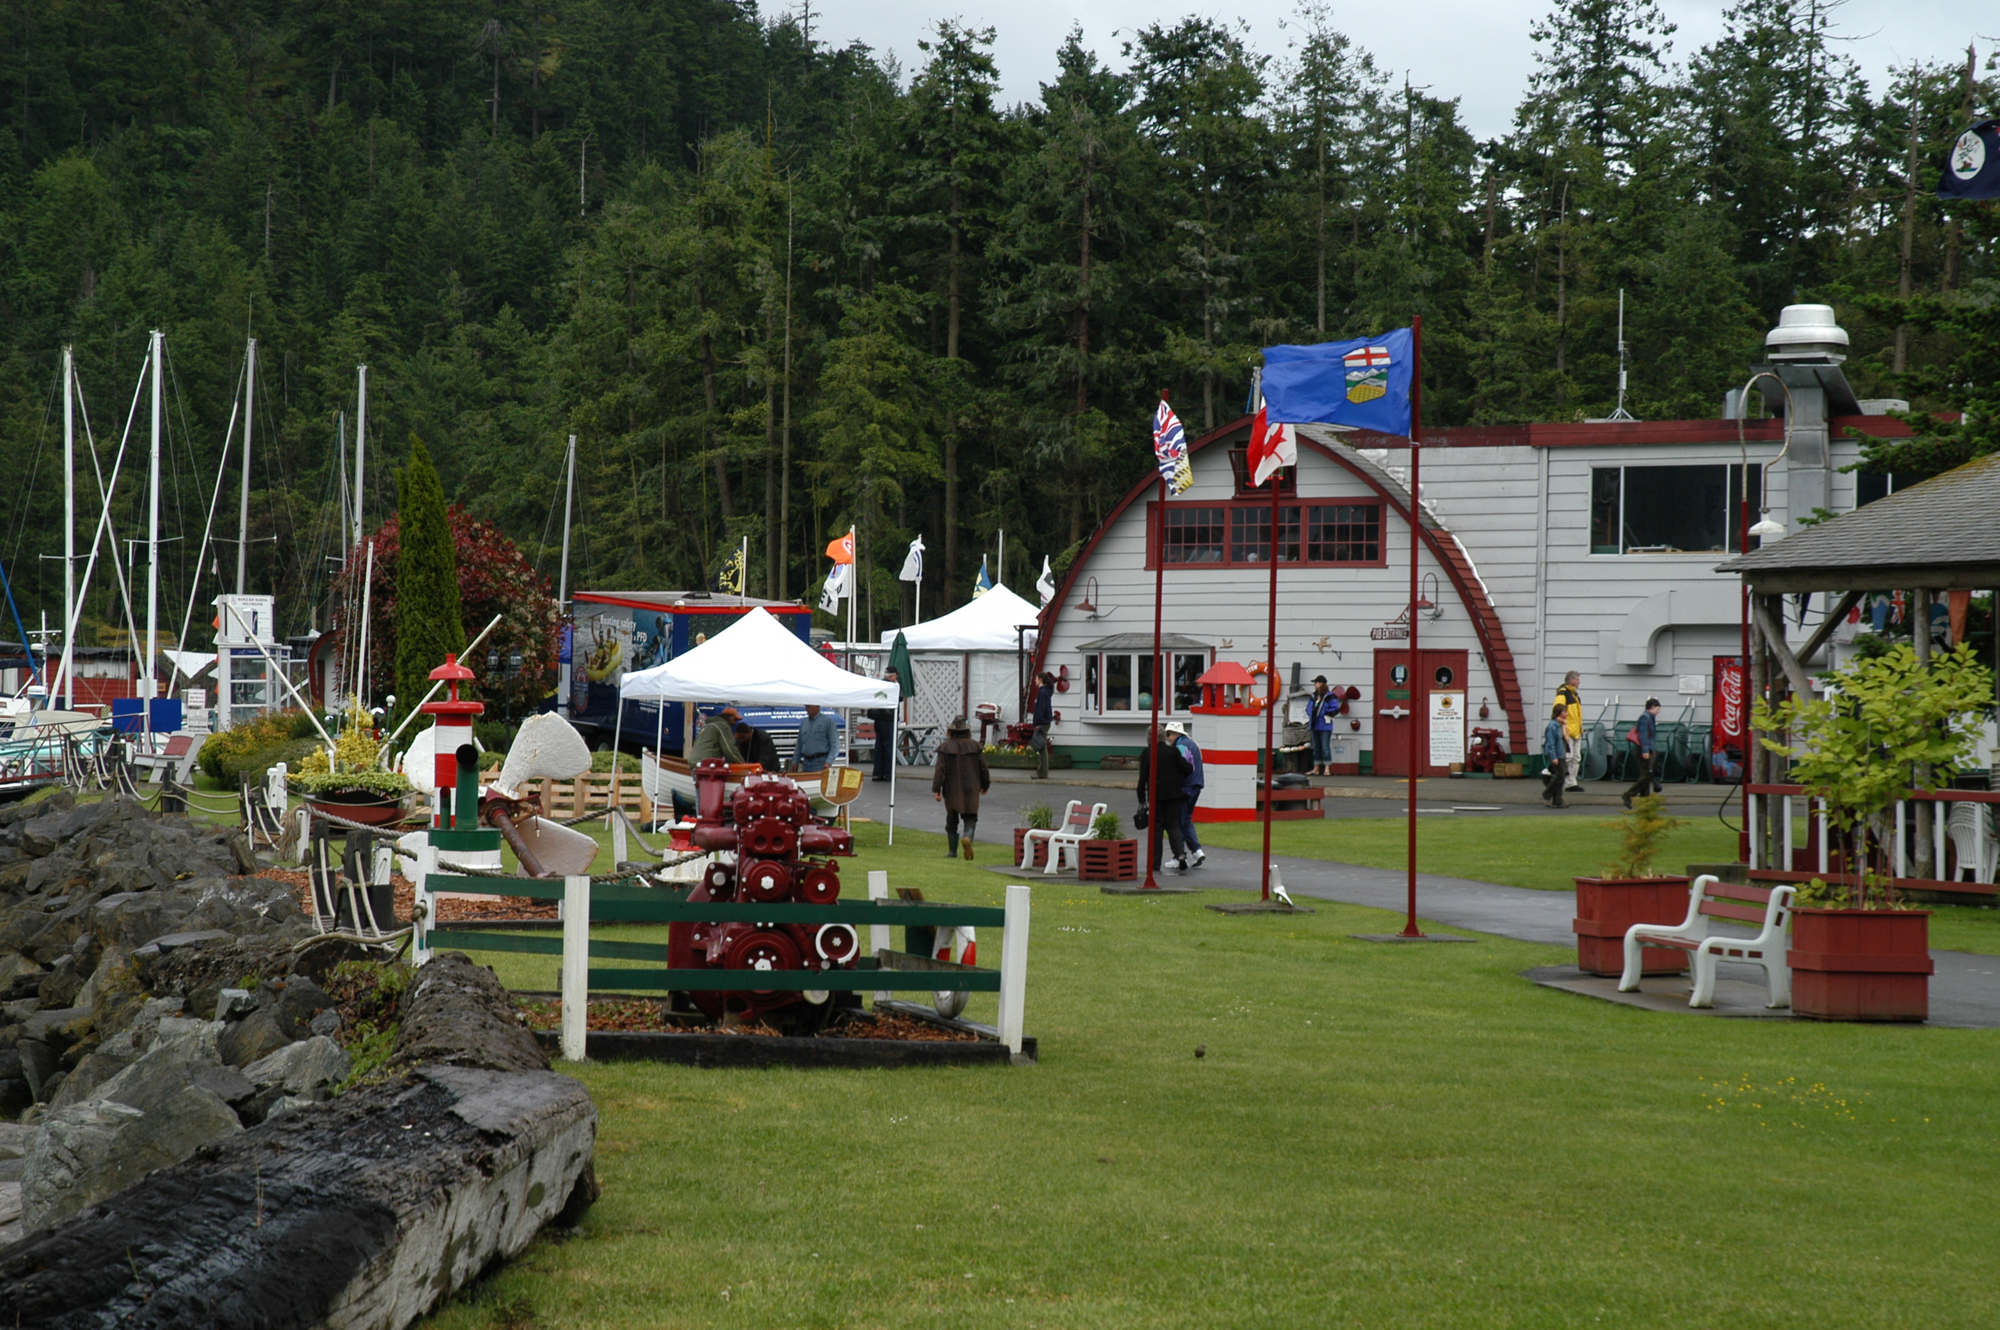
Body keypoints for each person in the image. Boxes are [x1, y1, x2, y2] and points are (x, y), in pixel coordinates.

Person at [1136, 725, 1195, 873]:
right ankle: (1180, 855)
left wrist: (1142, 799)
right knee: (1174, 827)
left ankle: (1155, 863)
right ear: (1164, 736)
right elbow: (1187, 768)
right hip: (1174, 795)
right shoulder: (1172, 751)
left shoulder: (1147, 753)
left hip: (1156, 796)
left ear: (1149, 737)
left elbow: (1142, 779)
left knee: (1156, 830)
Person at [931, 716, 990, 860]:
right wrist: (985, 784)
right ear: (967, 731)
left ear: (951, 731)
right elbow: (983, 768)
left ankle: (952, 852)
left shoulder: (945, 748)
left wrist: (936, 789)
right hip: (971, 787)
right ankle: (968, 837)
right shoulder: (975, 746)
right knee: (971, 817)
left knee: (951, 820)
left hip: (952, 789)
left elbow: (940, 771)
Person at [1168, 720, 1206, 867]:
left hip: (1187, 787)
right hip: (1197, 784)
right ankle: (1197, 851)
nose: (1168, 738)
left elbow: (1182, 766)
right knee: (1186, 820)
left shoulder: (1180, 746)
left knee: (1179, 821)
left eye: (1169, 734)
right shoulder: (1192, 744)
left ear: (1175, 733)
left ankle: (1180, 856)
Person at [1623, 697, 1661, 810]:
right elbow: (1643, 735)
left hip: (1647, 748)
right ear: (1652, 707)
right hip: (1644, 749)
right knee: (1646, 775)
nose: (1658, 711)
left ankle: (1645, 799)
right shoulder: (1645, 718)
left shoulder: (1649, 717)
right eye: (1658, 709)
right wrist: (1645, 751)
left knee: (1647, 775)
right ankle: (1628, 795)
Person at [1553, 670, 1584, 790]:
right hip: (1568, 731)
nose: (1578, 681)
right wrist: (1563, 726)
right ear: (1571, 680)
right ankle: (1564, 781)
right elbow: (1557, 709)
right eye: (1577, 679)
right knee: (1569, 757)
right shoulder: (1563, 693)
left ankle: (1572, 782)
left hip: (1576, 731)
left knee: (1576, 758)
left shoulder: (1575, 695)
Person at [1305, 675, 1340, 776]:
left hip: (1325, 725)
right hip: (1314, 725)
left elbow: (1335, 708)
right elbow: (1308, 708)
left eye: (1316, 682)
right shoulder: (1313, 696)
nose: (1315, 685)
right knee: (1316, 747)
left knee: (1325, 747)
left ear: (1321, 683)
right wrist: (1310, 713)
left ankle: (1327, 768)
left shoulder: (1330, 696)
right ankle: (1316, 768)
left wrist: (1325, 713)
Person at [794, 703, 837, 773]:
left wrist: (828, 762)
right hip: (806, 763)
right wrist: (795, 762)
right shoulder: (804, 723)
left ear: (817, 706)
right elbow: (799, 745)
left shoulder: (828, 722)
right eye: (806, 706)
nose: (806, 709)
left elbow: (834, 745)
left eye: (808, 706)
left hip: (821, 763)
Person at [1541, 703, 1569, 808]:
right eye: (1564, 711)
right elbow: (1550, 743)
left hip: (1561, 753)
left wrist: (1565, 725)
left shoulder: (1560, 725)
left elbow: (1567, 738)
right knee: (1559, 776)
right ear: (1559, 713)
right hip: (1556, 754)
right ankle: (1547, 794)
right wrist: (1553, 757)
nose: (1566, 713)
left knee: (1560, 777)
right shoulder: (1552, 726)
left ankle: (1557, 801)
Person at [1029, 672, 1056, 779]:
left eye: (1036, 678)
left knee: (1041, 748)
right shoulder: (1044, 691)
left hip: (1042, 723)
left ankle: (1043, 773)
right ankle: (1042, 772)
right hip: (1044, 722)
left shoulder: (1043, 692)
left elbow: (1042, 709)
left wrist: (1038, 724)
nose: (1035, 680)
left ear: (1040, 679)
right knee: (1042, 747)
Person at [867, 704, 896, 781]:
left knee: (879, 746)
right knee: (888, 746)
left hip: (878, 718)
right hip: (888, 717)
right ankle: (888, 773)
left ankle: (878, 773)